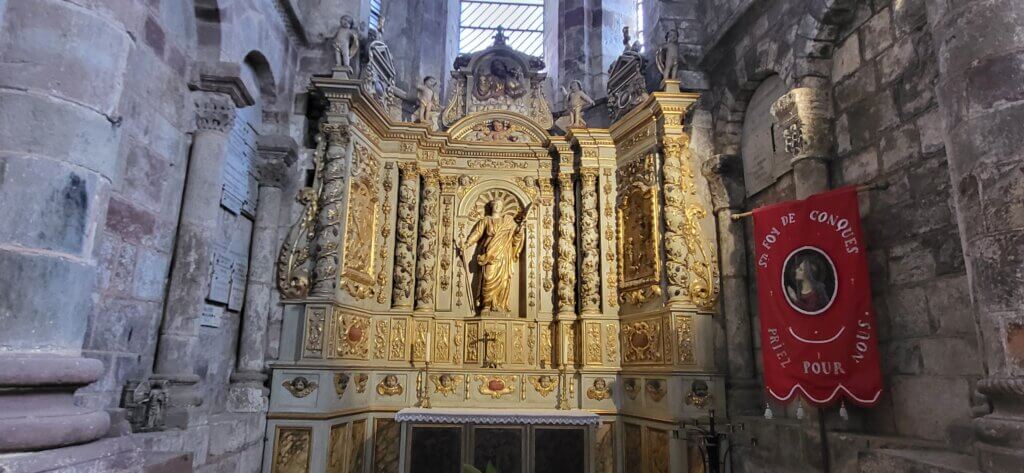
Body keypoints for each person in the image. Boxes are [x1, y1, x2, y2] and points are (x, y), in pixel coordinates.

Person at [460, 199, 527, 312]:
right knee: (488, 278)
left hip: (504, 255)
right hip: (490, 254)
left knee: (504, 280)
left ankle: (499, 305)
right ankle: (486, 305)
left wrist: (520, 229)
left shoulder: (508, 221)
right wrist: (467, 244)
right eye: (495, 204)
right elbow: (477, 233)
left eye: (499, 205)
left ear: (502, 208)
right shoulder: (486, 220)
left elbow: (517, 236)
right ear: (491, 207)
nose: (497, 206)